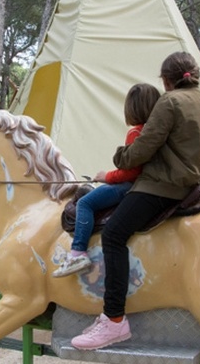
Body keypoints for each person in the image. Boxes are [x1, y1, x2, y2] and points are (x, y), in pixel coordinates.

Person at [70, 51, 200, 350]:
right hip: (195, 187)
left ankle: (114, 320)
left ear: (166, 82)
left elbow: (143, 149)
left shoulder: (170, 102)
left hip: (161, 187)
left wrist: (120, 157)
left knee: (113, 234)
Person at [54, 83, 161, 278]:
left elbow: (131, 171)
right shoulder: (156, 133)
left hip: (128, 186)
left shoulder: (136, 132)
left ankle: (77, 252)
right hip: (144, 186)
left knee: (85, 202)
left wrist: (106, 176)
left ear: (132, 107)